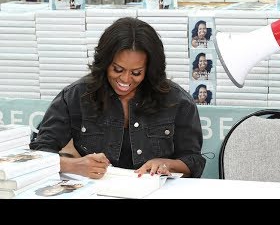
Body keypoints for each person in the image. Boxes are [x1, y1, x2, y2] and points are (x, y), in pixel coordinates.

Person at [30, 17, 206, 179]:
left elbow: (194, 160)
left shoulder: (177, 101)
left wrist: (168, 164)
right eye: (117, 69)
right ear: (105, 63)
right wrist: (74, 165)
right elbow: (39, 152)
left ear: (150, 70)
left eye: (136, 73)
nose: (125, 79)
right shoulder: (77, 96)